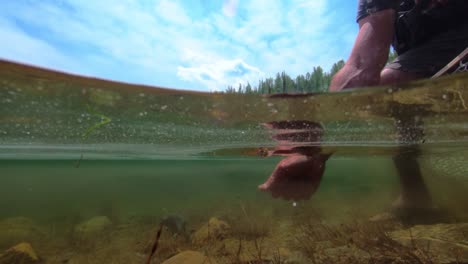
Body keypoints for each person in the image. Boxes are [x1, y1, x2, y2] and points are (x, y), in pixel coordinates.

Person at [259, 0, 468, 217]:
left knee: (392, 85)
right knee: (395, 102)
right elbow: (361, 68)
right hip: (422, 54)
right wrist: (314, 152)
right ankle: (415, 197)